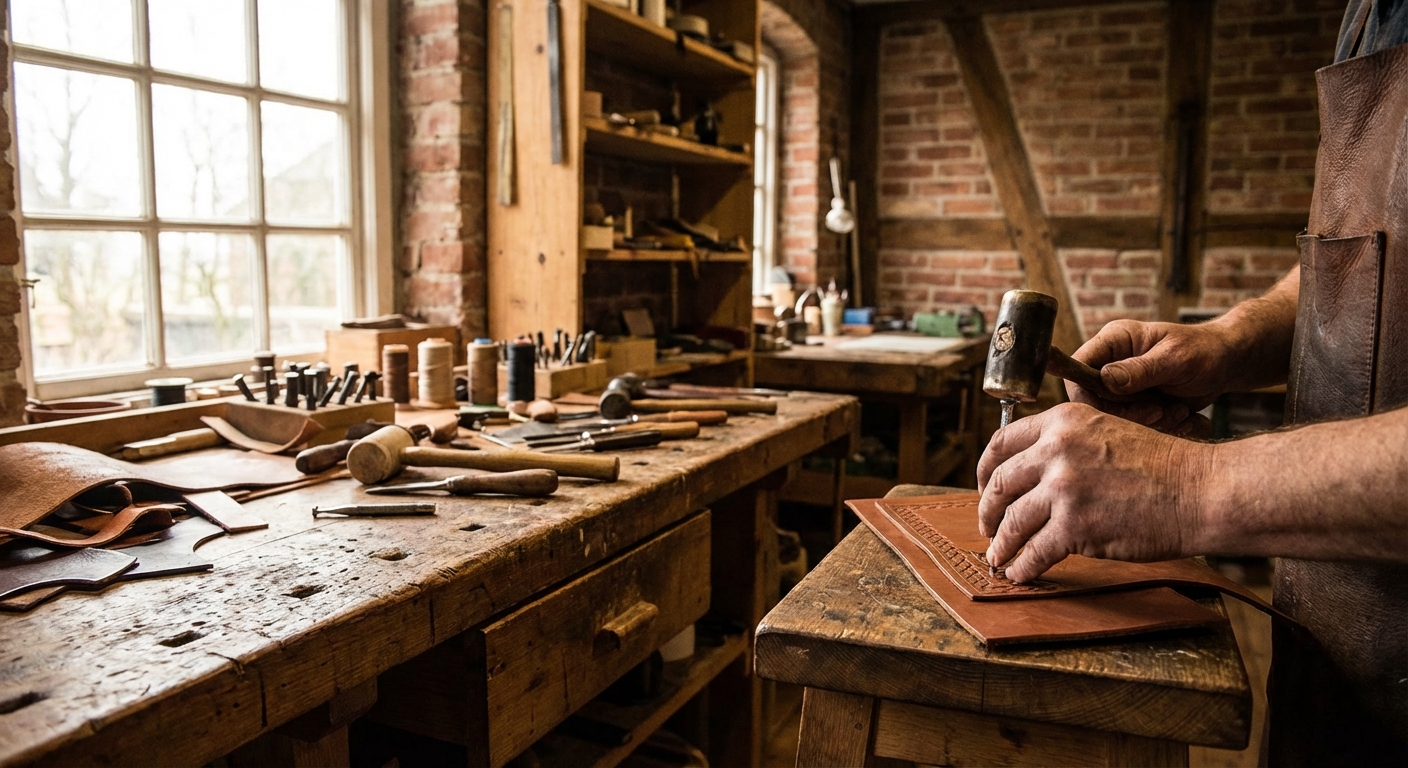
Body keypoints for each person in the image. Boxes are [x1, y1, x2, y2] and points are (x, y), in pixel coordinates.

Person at [974, 2, 1408, 764]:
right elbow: (1370, 258)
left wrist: (1189, 486)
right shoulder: (1368, 12)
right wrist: (1231, 341)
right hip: (1336, 653)